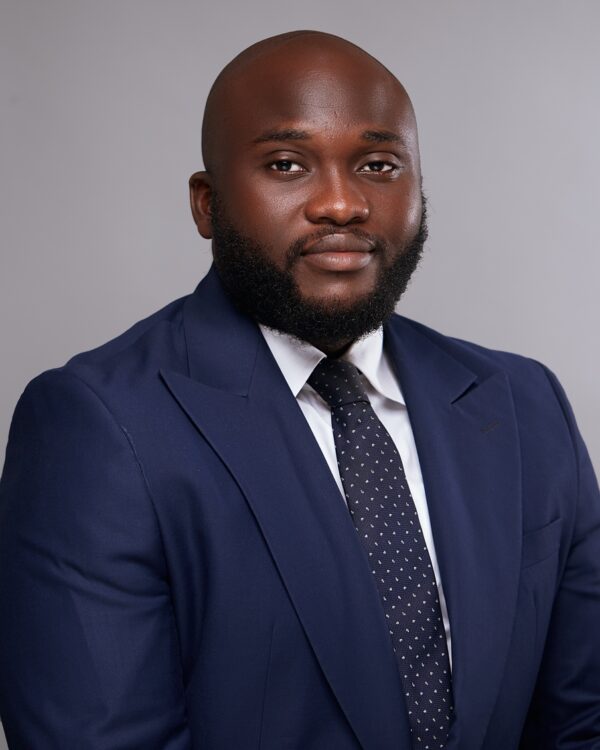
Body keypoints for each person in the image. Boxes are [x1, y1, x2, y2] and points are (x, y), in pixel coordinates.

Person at [0, 29, 598, 750]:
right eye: (286, 164)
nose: (342, 204)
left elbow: (583, 721)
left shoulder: (526, 404)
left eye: (378, 165)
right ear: (207, 204)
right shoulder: (97, 426)